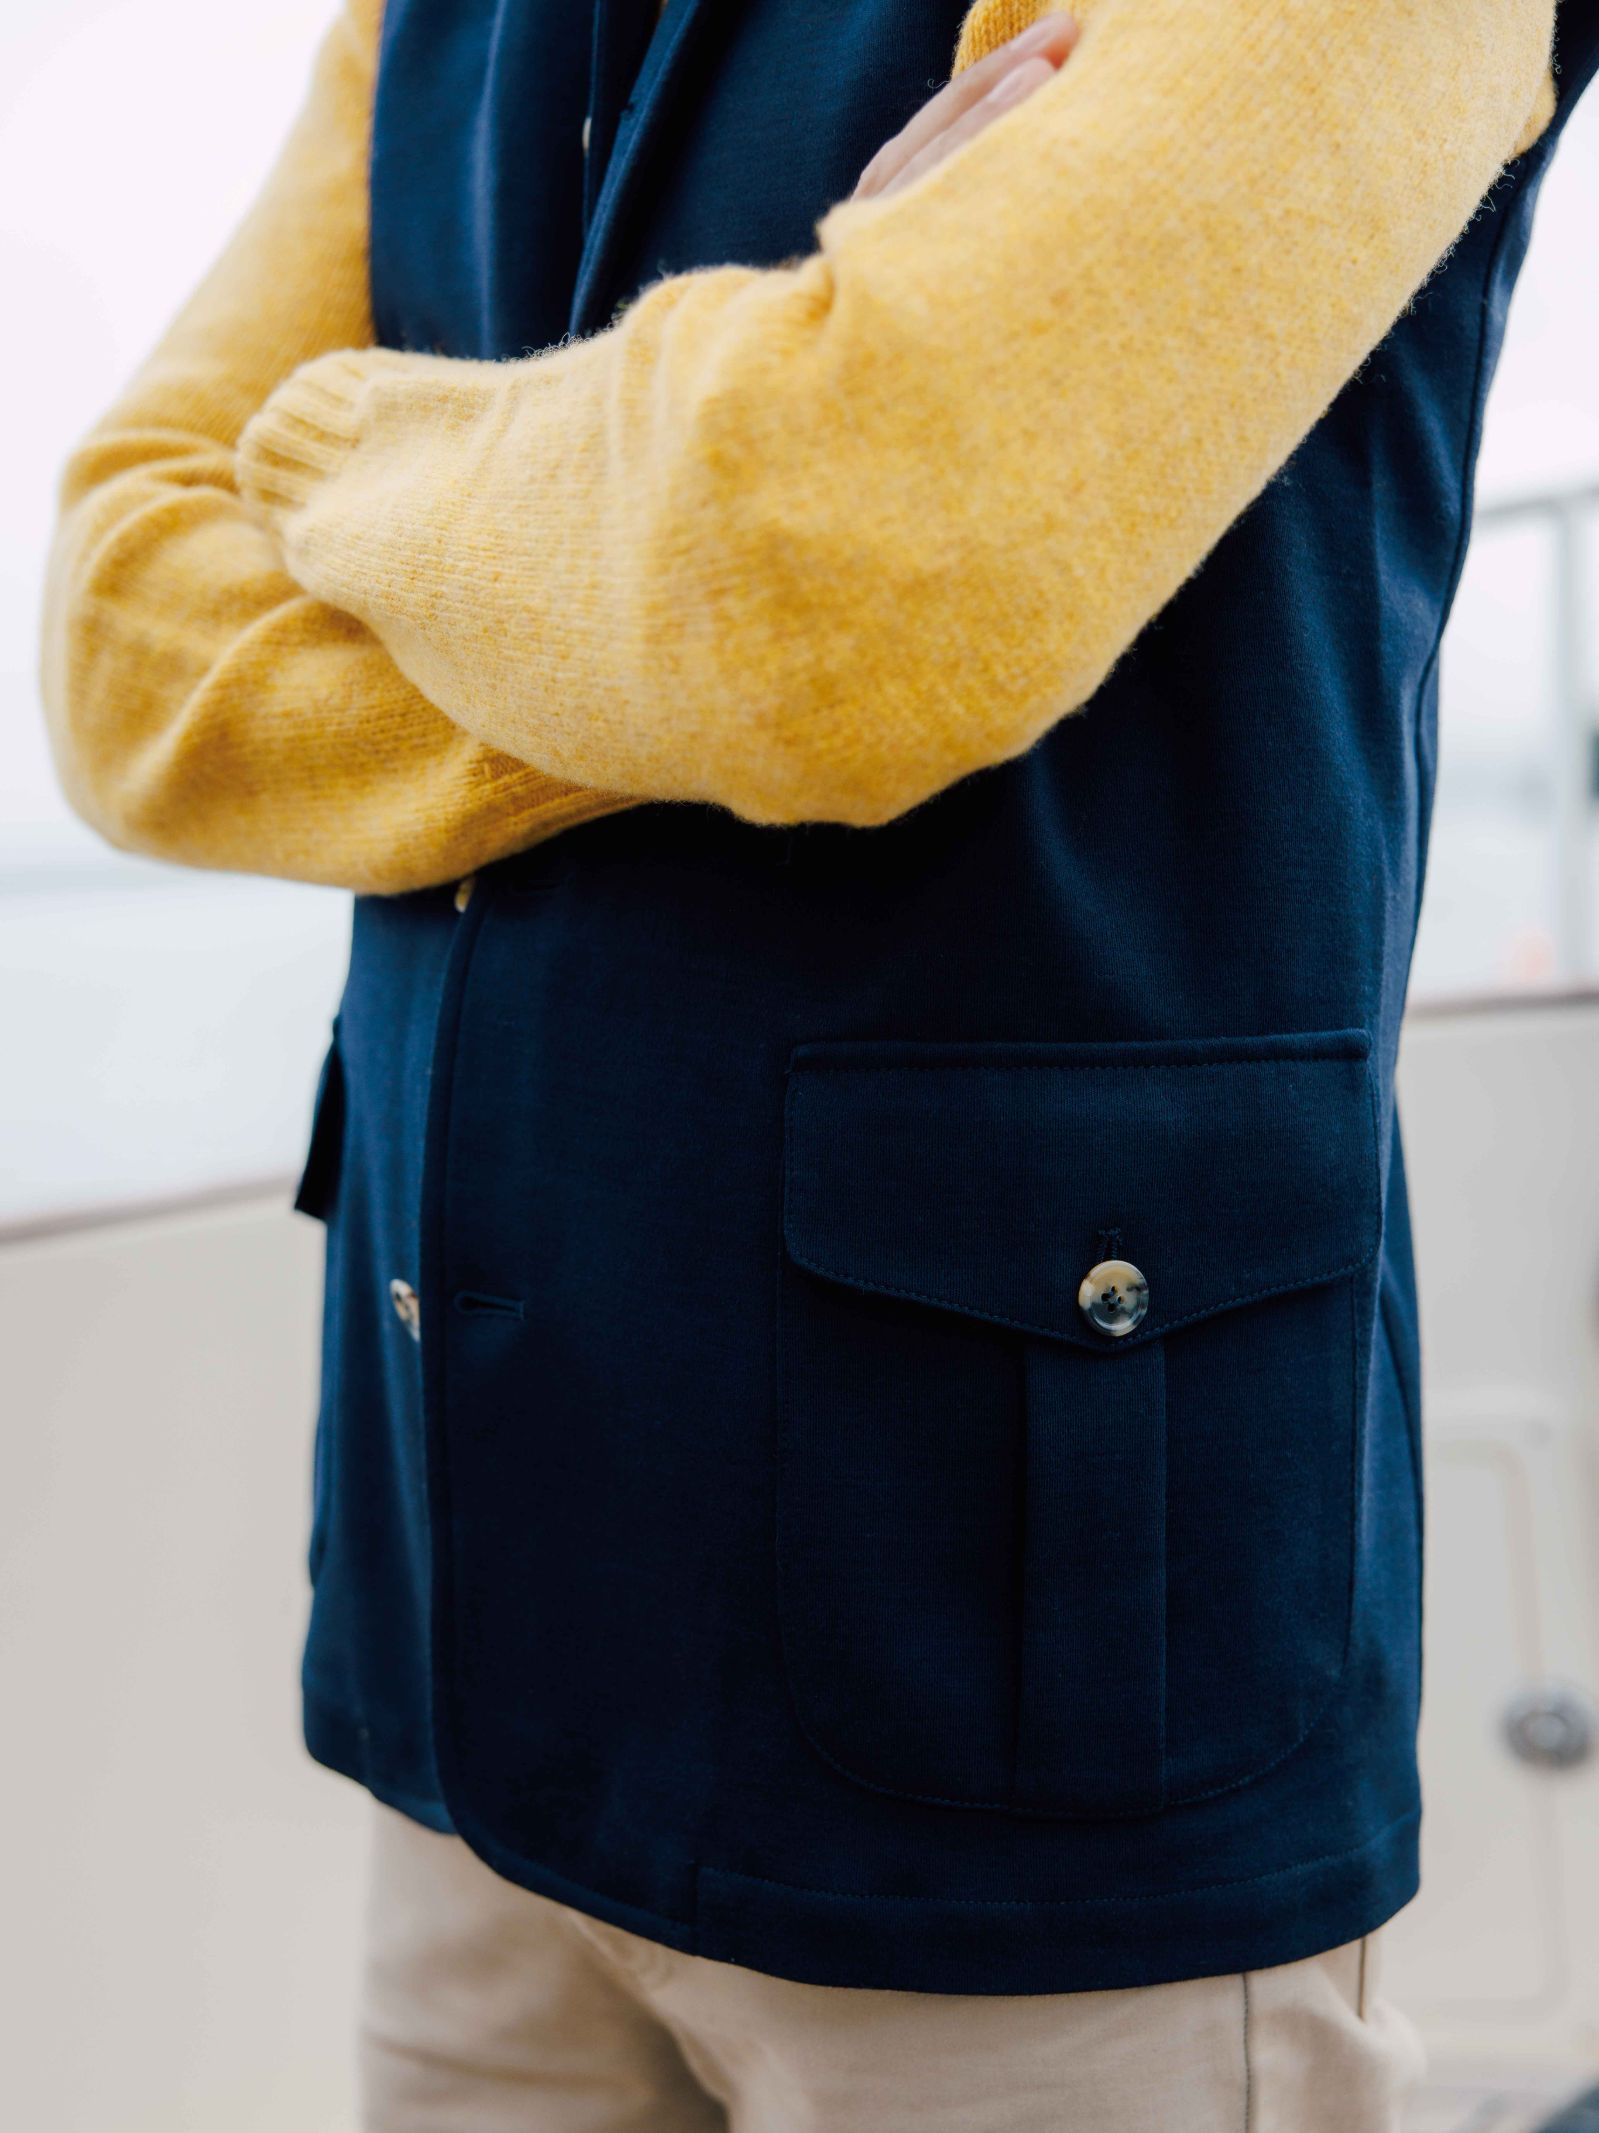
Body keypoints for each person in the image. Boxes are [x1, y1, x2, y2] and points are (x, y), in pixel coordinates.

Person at [40, 0, 1598, 2125]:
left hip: (1019, 1709)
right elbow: (122, 640)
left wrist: (335, 456)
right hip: (475, 1656)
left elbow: (849, 563)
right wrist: (704, 510)